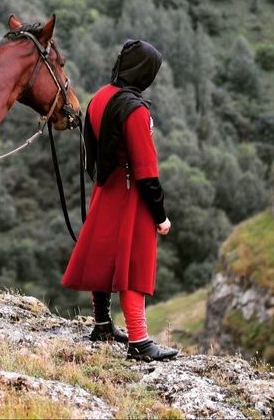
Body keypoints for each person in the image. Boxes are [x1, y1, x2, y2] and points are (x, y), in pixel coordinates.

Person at [62, 40, 178, 362]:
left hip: (106, 188)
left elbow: (92, 151)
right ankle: (139, 342)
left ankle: (102, 323)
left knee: (104, 255)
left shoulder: (100, 97)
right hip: (131, 196)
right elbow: (147, 170)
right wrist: (160, 215)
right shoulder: (135, 111)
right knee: (133, 264)